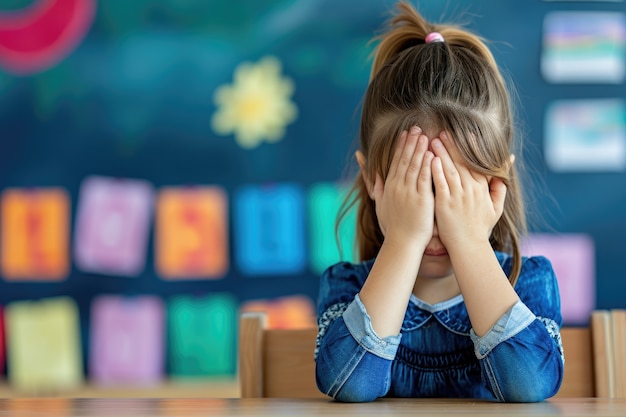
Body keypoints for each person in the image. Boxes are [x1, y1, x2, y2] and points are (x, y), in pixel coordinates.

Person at [314, 1, 563, 403]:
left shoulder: (528, 283)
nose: (435, 220)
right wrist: (403, 242)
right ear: (373, 182)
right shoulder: (348, 288)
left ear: (496, 185)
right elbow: (350, 385)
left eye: (454, 191)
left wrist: (468, 242)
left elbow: (530, 385)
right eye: (415, 190)